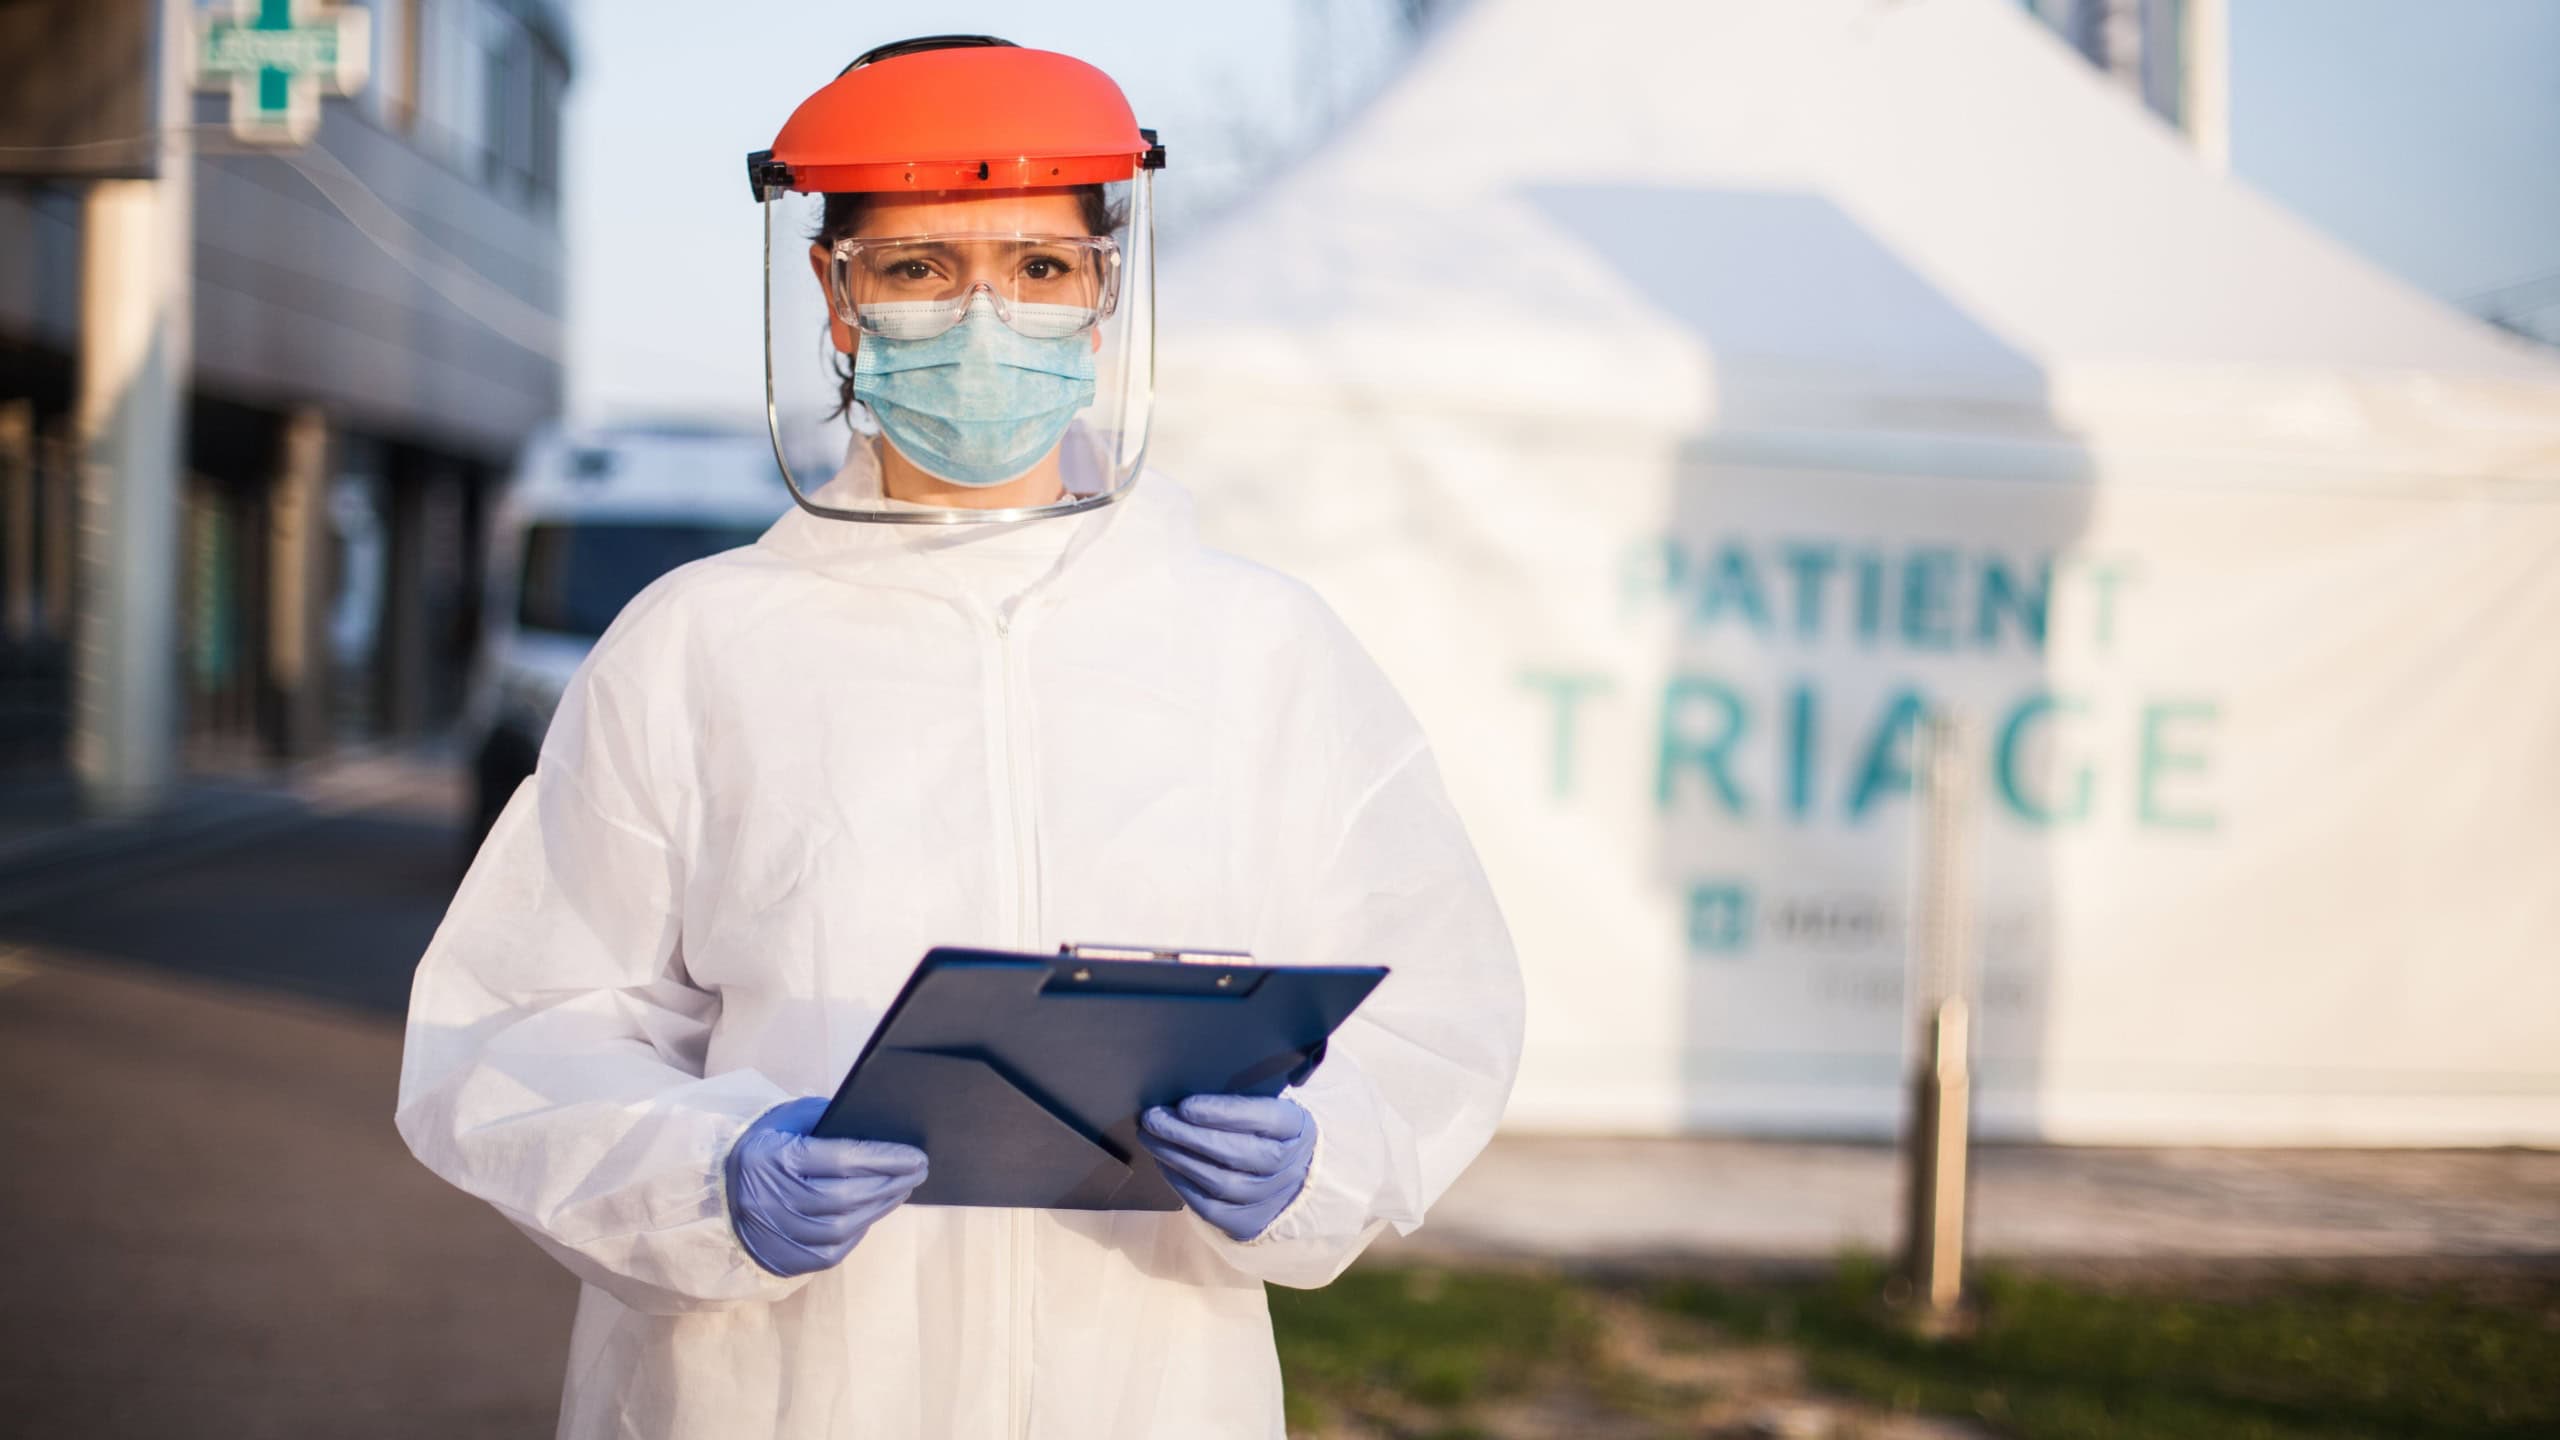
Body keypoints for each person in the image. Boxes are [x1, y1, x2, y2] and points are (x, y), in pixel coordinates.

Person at [396, 34, 1524, 1440]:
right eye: (922, 267)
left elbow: (1436, 1005)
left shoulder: (1260, 651)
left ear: (1102, 297)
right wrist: (711, 1176)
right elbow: (515, 1027)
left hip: (1146, 1390)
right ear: (837, 294)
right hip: (774, 1393)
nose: (986, 317)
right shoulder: (701, 646)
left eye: (1040, 267)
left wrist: (1323, 1154)